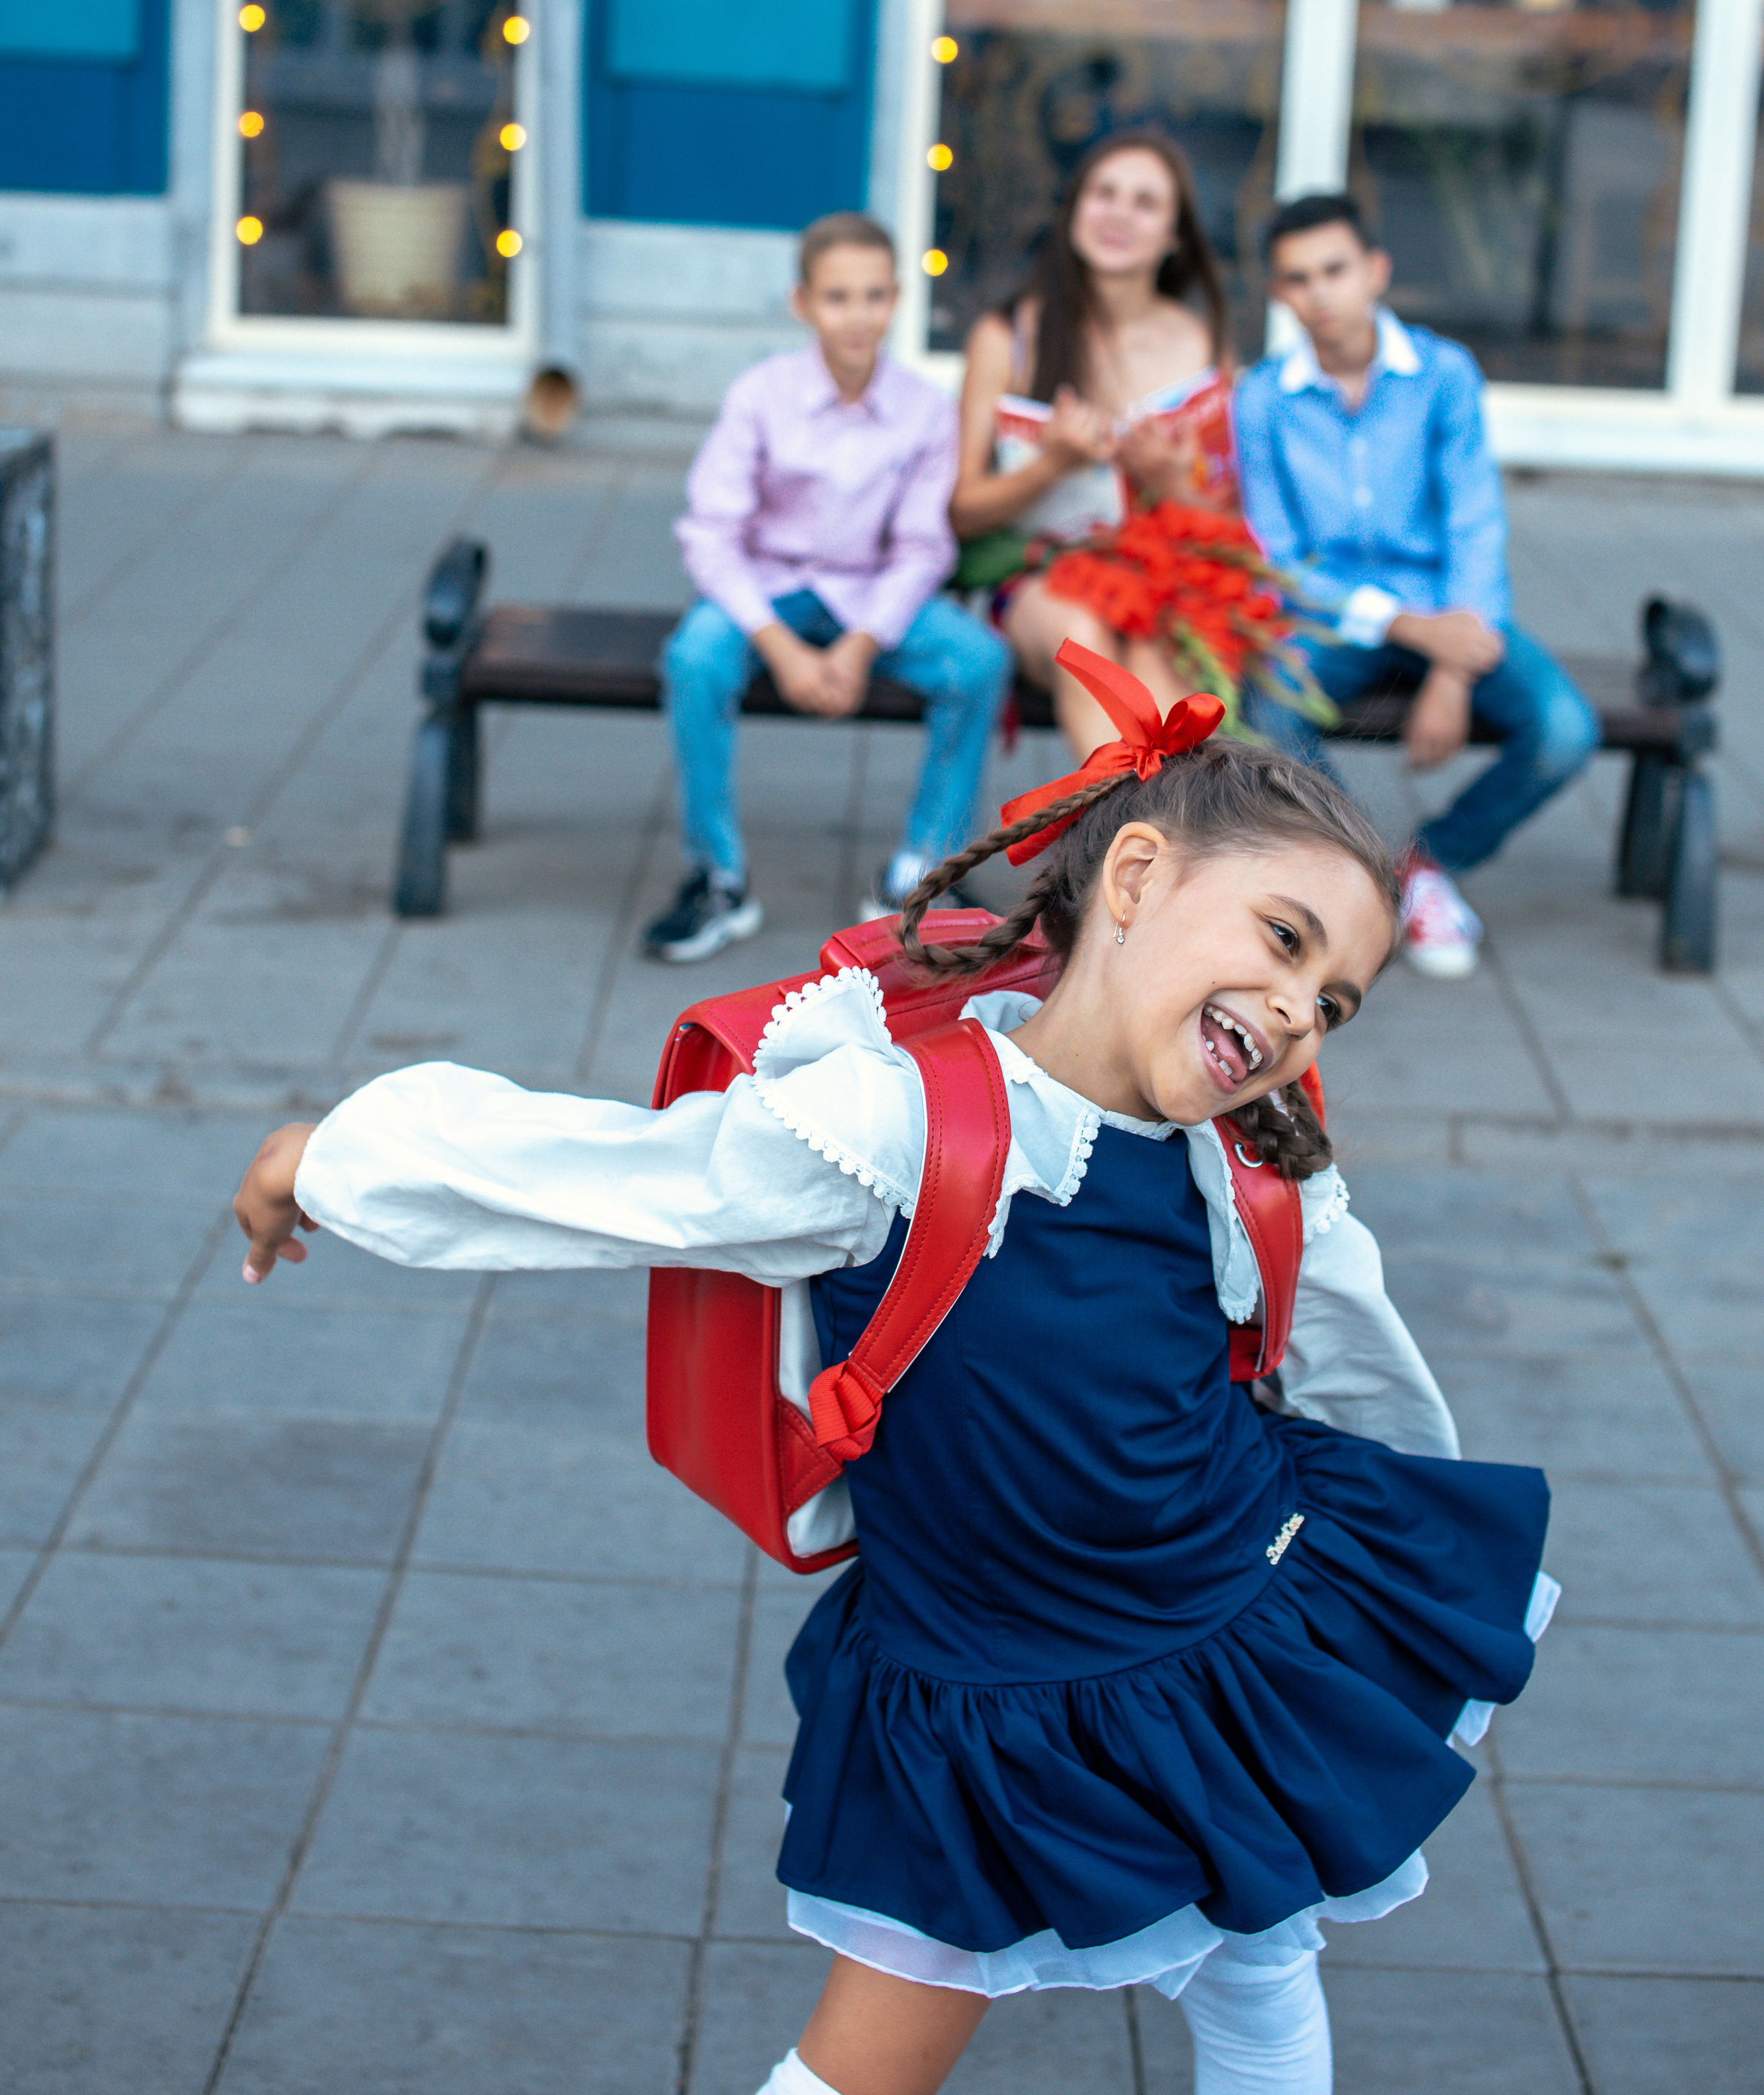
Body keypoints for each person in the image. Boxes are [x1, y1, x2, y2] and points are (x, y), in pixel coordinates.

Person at [233, 655, 1554, 2095]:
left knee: (1256, 1969)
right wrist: (339, 1158)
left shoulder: (1247, 1168)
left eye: (1336, 998)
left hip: (1222, 1628)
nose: (1302, 1011)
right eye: (1284, 939)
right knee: (868, 2066)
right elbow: (620, 1180)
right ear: (1132, 875)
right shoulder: (894, 1126)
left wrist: (1399, 1594)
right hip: (992, 1686)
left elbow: (1357, 1373)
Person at [1234, 193, 1602, 979]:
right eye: (1297, 278)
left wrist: (1451, 664)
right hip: (1339, 619)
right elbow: (1281, 559)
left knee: (1566, 728)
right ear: (1276, 292)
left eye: (1335, 270)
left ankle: (1427, 867)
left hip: (1456, 613)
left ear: (1375, 271)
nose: (1319, 294)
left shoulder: (1442, 375)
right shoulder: (1261, 398)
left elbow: (1475, 524)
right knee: (1269, 705)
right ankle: (1359, 869)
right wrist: (1410, 630)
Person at [645, 211, 1010, 961]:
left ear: (898, 299)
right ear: (802, 302)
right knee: (694, 657)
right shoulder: (760, 395)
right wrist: (780, 649)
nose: (858, 316)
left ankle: (921, 869)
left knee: (976, 661)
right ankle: (716, 876)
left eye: (875, 296)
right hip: (766, 591)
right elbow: (709, 533)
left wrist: (858, 645)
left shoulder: (923, 412)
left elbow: (920, 547)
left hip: (868, 597)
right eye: (838, 297)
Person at [949, 132, 1238, 760]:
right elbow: (962, 510)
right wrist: (1053, 465)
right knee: (1087, 643)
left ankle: (1152, 843)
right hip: (1033, 578)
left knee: (1163, 673)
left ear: (1174, 237)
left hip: (1160, 577)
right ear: (1075, 209)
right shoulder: (1008, 335)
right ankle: (1128, 841)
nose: (1118, 214)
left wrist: (1168, 483)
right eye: (1103, 194)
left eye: (1144, 202)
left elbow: (1230, 523)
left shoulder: (1202, 346)